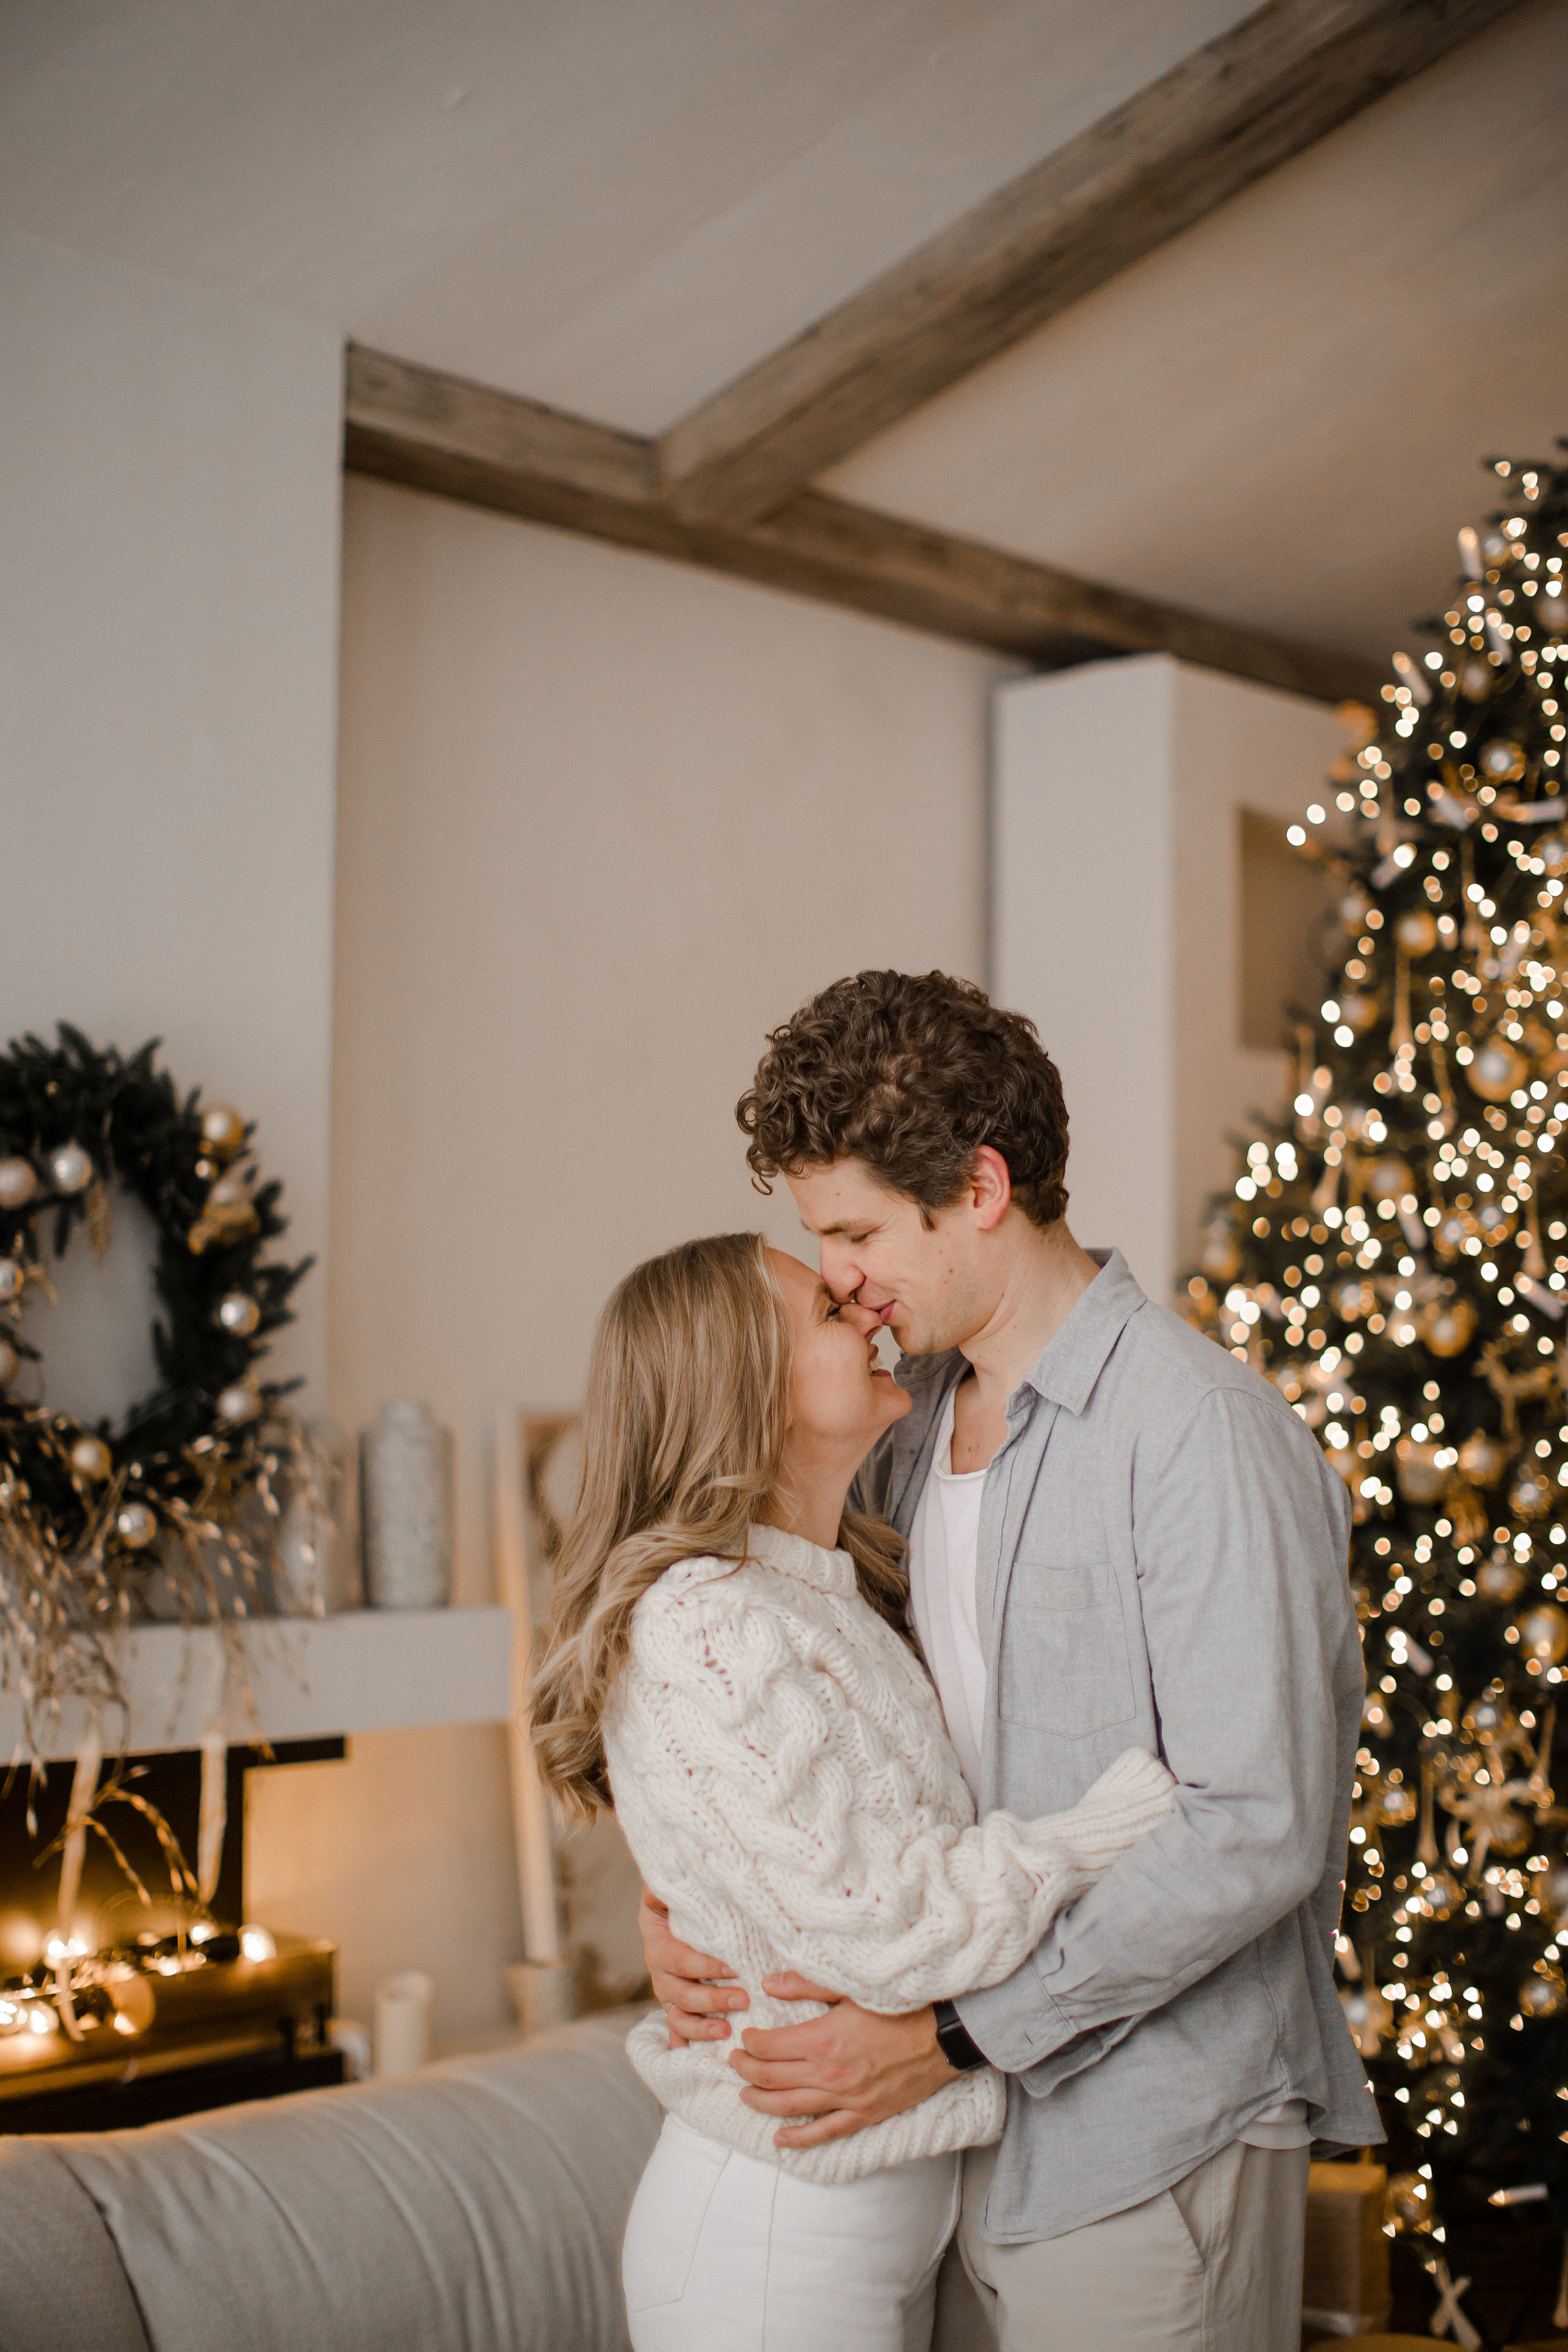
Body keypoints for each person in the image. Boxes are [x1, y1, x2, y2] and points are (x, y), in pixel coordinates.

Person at [641, 969, 1382, 2352]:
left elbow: (1254, 1827)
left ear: (980, 1187)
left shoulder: (1196, 1435)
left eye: (856, 1230)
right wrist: (688, 1901)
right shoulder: (902, 1422)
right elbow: (807, 1725)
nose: (838, 1277)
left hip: (1146, 2134)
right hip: (949, 2147)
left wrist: (954, 2035)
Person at [531, 1229, 1174, 2352]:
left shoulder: (822, 1589)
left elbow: (800, 1855)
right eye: (829, 1313)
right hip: (775, 2241)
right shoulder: (709, 1624)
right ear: (748, 1390)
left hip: (867, 2222)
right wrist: (1111, 1829)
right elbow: (890, 1927)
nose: (867, 1309)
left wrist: (699, 1901)